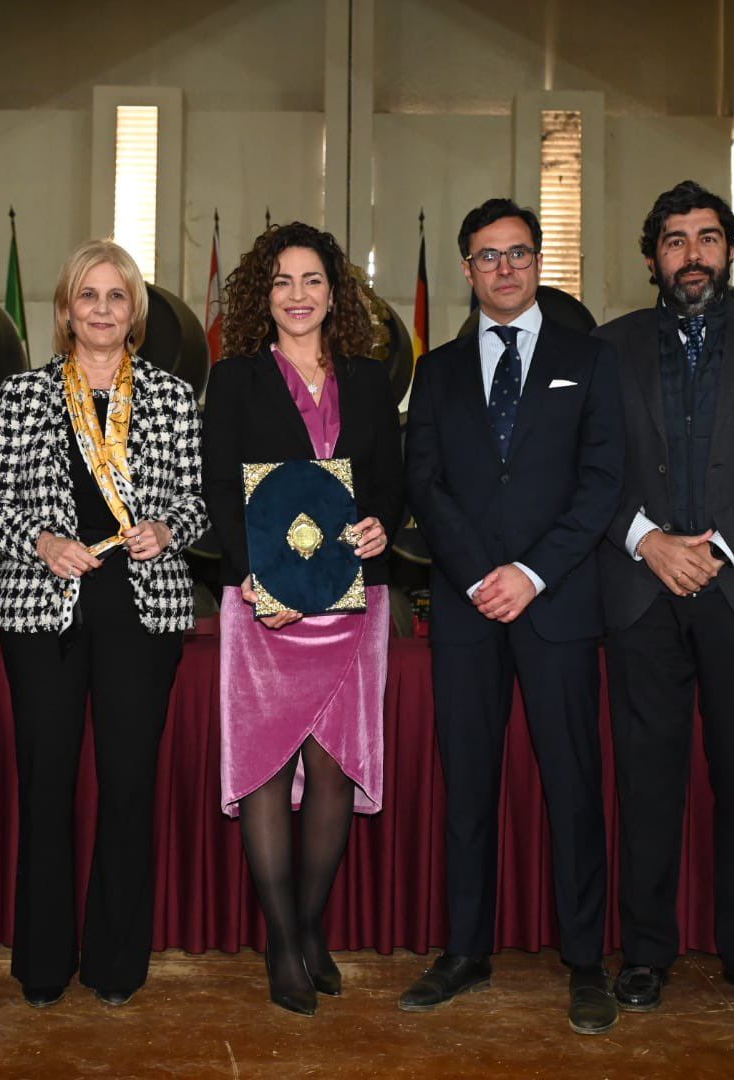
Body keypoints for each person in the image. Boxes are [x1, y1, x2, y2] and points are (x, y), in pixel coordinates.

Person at [593, 180, 734, 1017]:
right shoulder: (609, 346)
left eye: (707, 238)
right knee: (646, 783)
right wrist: (648, 541)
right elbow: (588, 466)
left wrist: (720, 546)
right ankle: (646, 951)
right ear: (651, 257)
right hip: (641, 590)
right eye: (674, 240)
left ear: (729, 248)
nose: (692, 254)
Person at [401, 198, 624, 1035]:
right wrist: (478, 576)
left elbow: (602, 482)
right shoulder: (438, 370)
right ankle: (466, 951)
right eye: (488, 256)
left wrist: (529, 574)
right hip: (466, 609)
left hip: (556, 602)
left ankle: (585, 961)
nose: (504, 267)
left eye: (518, 253)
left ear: (538, 262)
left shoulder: (588, 360)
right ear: (467, 269)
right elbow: (425, 482)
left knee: (573, 784)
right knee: (468, 785)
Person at [0, 240, 207, 1009]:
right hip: (44, 609)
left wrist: (167, 529)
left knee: (129, 786)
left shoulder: (173, 397)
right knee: (46, 786)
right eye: (88, 295)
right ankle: (42, 962)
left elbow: (199, 503)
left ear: (134, 312)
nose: (102, 309)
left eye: (116, 296)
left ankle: (116, 962)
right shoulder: (23, 395)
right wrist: (40, 541)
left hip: (143, 609)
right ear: (66, 310)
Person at [202, 222, 403, 1017]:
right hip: (265, 606)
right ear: (264, 294)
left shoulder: (370, 378)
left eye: (312, 279)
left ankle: (309, 926)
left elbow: (389, 480)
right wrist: (258, 576)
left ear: (333, 291)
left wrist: (382, 524)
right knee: (263, 766)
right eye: (282, 280)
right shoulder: (236, 379)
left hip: (352, 604)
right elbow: (222, 490)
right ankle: (282, 945)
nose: (297, 294)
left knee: (331, 768)